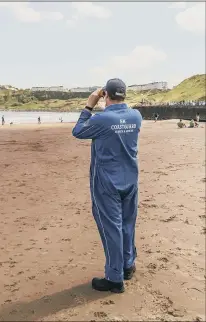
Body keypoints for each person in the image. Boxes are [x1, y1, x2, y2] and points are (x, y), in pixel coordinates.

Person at [72, 78, 142, 293]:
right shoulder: (136, 116)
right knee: (127, 224)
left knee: (111, 228)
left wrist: (89, 104)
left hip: (107, 182)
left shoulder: (101, 119)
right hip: (130, 179)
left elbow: (78, 131)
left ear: (106, 95)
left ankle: (114, 278)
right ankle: (128, 265)